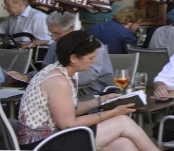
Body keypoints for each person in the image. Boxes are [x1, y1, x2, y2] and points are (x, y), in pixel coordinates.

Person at [16, 30, 159, 150]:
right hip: (42, 144)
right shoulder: (58, 81)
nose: (95, 61)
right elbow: (68, 123)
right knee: (122, 121)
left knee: (123, 145)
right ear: (73, 58)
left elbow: (68, 111)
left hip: (52, 137)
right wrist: (113, 113)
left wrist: (101, 100)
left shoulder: (57, 71)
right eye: (91, 57)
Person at [9, 12, 115, 99]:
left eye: (57, 33)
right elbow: (47, 70)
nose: (53, 38)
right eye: (51, 34)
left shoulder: (92, 46)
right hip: (60, 90)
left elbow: (85, 77)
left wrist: (50, 79)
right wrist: (27, 77)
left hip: (91, 93)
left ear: (72, 28)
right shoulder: (55, 45)